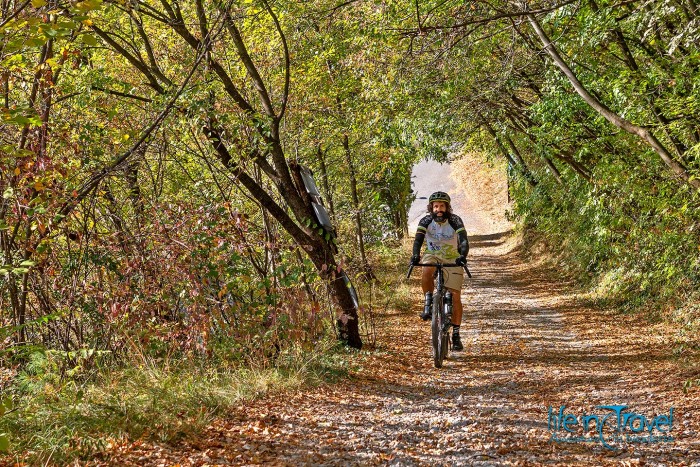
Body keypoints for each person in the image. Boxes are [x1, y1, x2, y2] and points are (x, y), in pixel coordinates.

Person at [410, 191, 469, 351]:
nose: (439, 209)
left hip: (452, 257)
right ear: (431, 208)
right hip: (433, 255)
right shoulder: (426, 220)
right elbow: (418, 240)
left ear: (447, 207)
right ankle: (428, 303)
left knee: (455, 295)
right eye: (435, 206)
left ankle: (456, 334)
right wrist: (415, 255)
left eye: (442, 206)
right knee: (426, 269)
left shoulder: (455, 220)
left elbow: (463, 240)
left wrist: (462, 256)